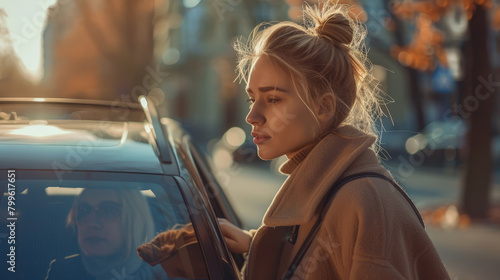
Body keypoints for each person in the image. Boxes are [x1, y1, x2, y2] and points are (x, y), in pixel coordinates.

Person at [218, 3, 450, 280]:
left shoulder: (365, 202)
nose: (252, 116)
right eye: (252, 99)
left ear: (323, 107)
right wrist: (259, 246)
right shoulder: (324, 189)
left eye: (273, 99)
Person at [45, 188, 167, 280]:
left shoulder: (164, 273)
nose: (91, 223)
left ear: (134, 220)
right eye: (83, 211)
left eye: (108, 210)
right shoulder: (62, 271)